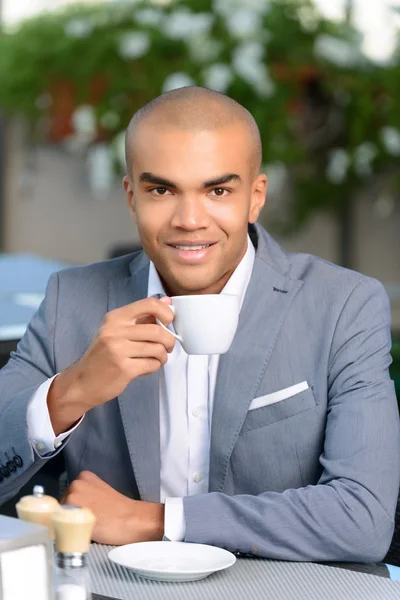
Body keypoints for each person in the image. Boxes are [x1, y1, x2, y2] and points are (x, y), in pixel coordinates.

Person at [0, 87, 399, 563]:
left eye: (217, 190)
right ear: (132, 197)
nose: (189, 220)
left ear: (255, 197)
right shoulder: (72, 300)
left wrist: (156, 520)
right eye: (162, 190)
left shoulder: (344, 306)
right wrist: (72, 391)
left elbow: (363, 520)